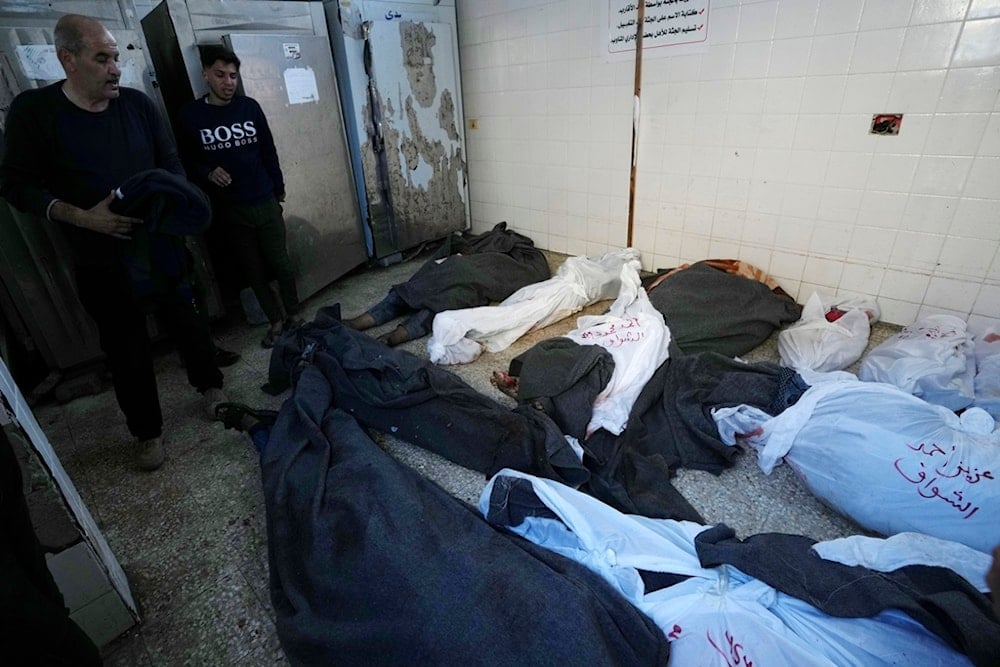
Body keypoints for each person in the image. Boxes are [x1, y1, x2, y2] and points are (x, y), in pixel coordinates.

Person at [0, 14, 228, 472]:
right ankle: (147, 432)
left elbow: (170, 165)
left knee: (189, 323)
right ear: (68, 60)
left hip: (160, 246)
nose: (115, 69)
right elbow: (17, 186)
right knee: (126, 350)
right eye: (101, 58)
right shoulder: (35, 113)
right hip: (100, 258)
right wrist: (84, 218)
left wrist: (175, 211)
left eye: (116, 57)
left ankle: (212, 388)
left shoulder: (139, 107)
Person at [177, 46, 302, 348]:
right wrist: (208, 171)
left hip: (264, 199)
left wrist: (278, 188)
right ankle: (275, 322)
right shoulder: (192, 116)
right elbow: (186, 160)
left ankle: (295, 318)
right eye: (220, 75)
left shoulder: (249, 108)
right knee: (253, 271)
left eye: (233, 75)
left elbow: (268, 150)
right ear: (205, 74)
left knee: (281, 264)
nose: (228, 82)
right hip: (230, 210)